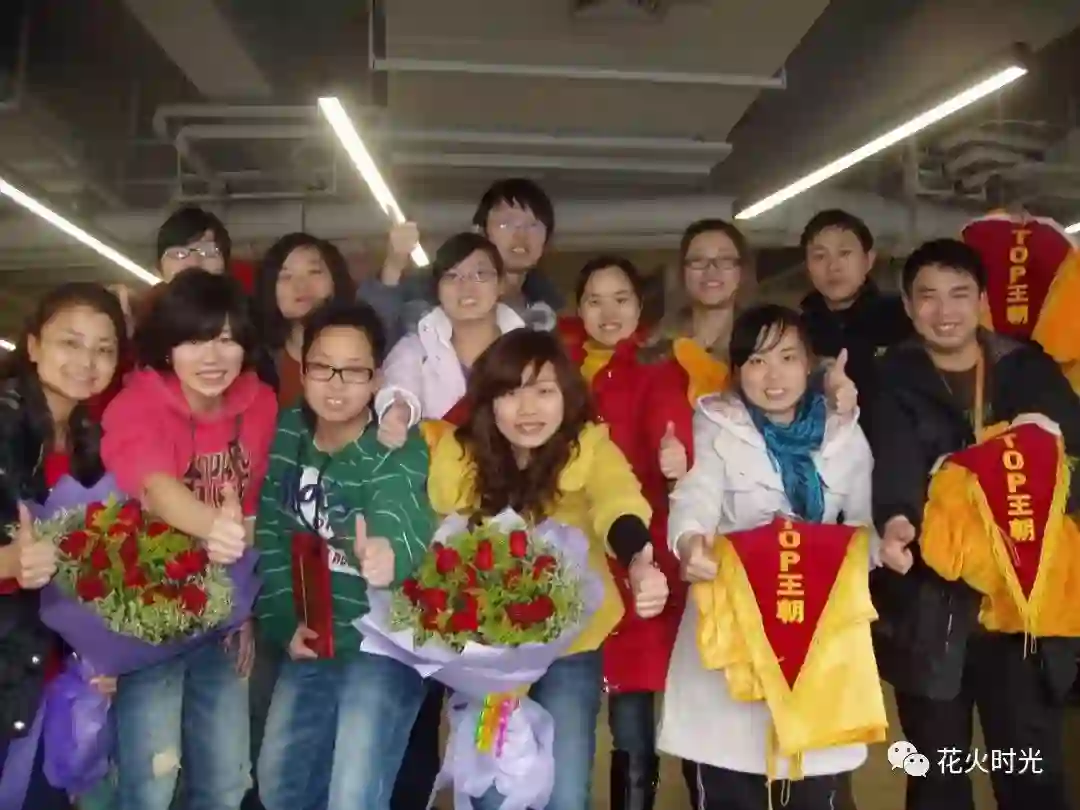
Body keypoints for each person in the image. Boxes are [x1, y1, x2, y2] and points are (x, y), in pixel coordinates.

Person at [870, 238, 1080, 810]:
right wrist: (896, 520)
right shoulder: (889, 379)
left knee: (1030, 771)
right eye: (928, 296)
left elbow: (1074, 461)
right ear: (909, 306)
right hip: (930, 606)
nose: (945, 311)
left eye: (959, 294)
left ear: (982, 300)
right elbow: (891, 460)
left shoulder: (1027, 369)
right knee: (939, 775)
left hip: (1021, 607)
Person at [427, 329, 668, 810]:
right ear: (488, 400)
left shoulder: (589, 446)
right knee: (493, 792)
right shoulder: (458, 452)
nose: (528, 409)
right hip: (486, 656)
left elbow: (618, 503)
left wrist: (640, 561)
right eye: (511, 392)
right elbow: (440, 535)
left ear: (566, 395)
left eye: (543, 391)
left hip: (571, 647)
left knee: (566, 792)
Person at [659, 304, 875, 810]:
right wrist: (690, 542)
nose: (773, 376)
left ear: (809, 365)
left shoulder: (843, 432)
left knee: (817, 789)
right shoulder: (716, 423)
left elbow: (864, 524)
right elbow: (695, 497)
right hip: (734, 630)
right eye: (757, 361)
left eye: (787, 358)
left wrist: (880, 547)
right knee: (732, 784)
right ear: (737, 370)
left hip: (819, 632)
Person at [101, 271, 278, 810]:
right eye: (195, 339)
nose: (212, 356)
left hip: (219, 614)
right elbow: (156, 488)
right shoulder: (136, 404)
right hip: (148, 615)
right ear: (167, 346)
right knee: (152, 782)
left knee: (226, 780)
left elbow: (253, 504)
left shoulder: (260, 404)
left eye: (226, 338)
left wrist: (241, 602)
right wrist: (217, 529)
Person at [253, 300, 435, 810]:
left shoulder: (397, 444)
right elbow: (272, 531)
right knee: (280, 786)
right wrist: (283, 621)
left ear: (377, 379)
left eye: (353, 371)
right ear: (303, 368)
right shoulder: (290, 431)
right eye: (322, 367)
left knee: (353, 796)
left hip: (383, 646)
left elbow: (402, 509)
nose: (336, 384)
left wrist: (387, 552)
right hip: (315, 637)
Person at [558, 256, 692, 810]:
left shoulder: (656, 366)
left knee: (633, 711)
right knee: (563, 705)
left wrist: (675, 453)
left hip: (637, 549)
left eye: (621, 299)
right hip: (565, 552)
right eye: (595, 300)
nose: (608, 312)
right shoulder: (558, 365)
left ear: (639, 307)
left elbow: (671, 423)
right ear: (579, 308)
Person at [0, 283, 126, 810]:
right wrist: (10, 561)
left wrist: (105, 649)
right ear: (33, 345)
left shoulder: (89, 440)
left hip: (48, 674)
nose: (87, 361)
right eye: (70, 342)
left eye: (104, 348)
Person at [359, 178, 564, 348]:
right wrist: (394, 266)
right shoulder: (429, 290)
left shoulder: (547, 315)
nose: (521, 235)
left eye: (533, 225)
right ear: (480, 231)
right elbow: (371, 339)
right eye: (506, 224)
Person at [92, 206, 235, 419]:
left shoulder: (245, 322)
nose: (193, 263)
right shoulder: (139, 322)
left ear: (225, 265)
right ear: (159, 269)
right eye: (178, 253)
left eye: (207, 252)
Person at [799, 209, 912, 436]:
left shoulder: (904, 317)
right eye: (820, 256)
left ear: (868, 260)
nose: (833, 267)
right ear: (807, 267)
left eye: (844, 253)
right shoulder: (797, 332)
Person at [648, 219, 751, 403]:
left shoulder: (761, 344)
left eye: (725, 260)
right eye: (698, 260)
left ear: (742, 272)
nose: (711, 270)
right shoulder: (655, 347)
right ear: (683, 272)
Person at [252, 232, 356, 405]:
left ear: (335, 281)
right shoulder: (257, 362)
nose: (301, 285)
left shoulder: (364, 348)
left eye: (314, 272)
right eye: (286, 276)